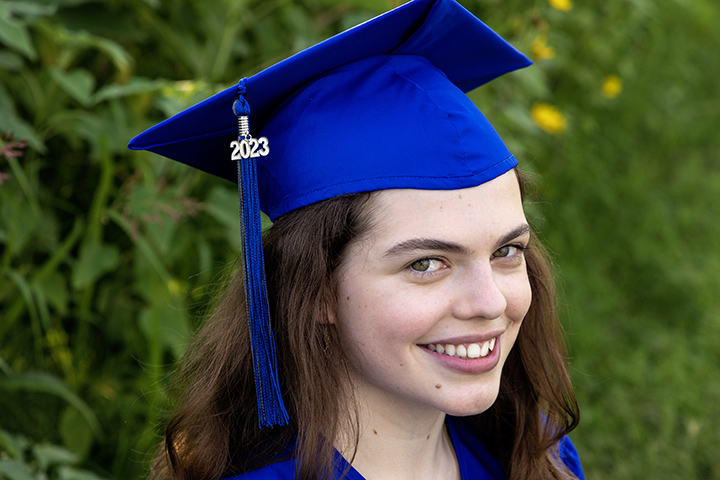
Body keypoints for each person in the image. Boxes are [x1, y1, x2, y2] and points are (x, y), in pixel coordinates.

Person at [129, 1, 583, 479]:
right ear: (317, 289)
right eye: (426, 263)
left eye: (506, 252)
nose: (490, 302)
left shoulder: (534, 450)